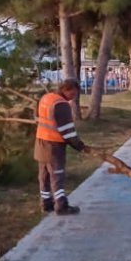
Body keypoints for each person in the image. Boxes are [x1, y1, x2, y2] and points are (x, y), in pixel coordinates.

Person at [34, 79, 88, 215]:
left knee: (44, 175)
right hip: (54, 146)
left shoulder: (46, 98)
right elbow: (68, 131)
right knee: (57, 175)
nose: (73, 97)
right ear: (65, 89)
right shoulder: (61, 105)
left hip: (41, 141)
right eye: (73, 93)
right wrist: (80, 146)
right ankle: (61, 206)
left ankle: (46, 204)